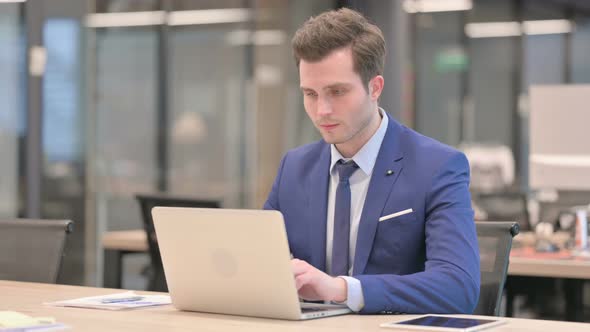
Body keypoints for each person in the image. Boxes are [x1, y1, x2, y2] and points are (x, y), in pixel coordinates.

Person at [263, 7, 480, 315]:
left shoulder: (437, 167)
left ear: (375, 87)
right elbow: (258, 262)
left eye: (337, 92)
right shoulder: (294, 168)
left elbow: (458, 287)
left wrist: (342, 289)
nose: (321, 110)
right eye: (310, 94)